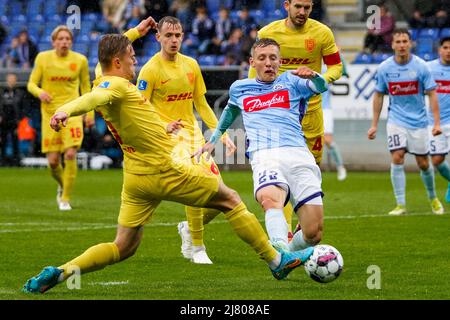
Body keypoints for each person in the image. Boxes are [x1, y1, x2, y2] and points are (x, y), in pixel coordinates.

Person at [22, 30, 314, 294]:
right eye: (131, 57)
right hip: (166, 168)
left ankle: (62, 272)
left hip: (136, 179)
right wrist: (65, 110)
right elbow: (93, 97)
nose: (135, 62)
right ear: (118, 61)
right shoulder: (115, 86)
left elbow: (112, 91)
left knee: (123, 247)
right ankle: (276, 260)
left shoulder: (104, 74)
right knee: (231, 200)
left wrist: (137, 33)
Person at [194, 38, 328, 254]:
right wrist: (214, 138)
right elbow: (230, 111)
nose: (268, 63)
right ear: (252, 62)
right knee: (270, 198)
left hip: (298, 153)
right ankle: (279, 252)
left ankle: (289, 253)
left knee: (314, 232)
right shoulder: (240, 88)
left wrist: (315, 76)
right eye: (262, 58)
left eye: (273, 58)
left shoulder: (292, 80)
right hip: (264, 154)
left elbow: (321, 87)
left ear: (280, 61)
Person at [136, 16, 236, 264]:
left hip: (193, 136)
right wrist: (160, 128)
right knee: (194, 188)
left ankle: (188, 227)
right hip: (168, 140)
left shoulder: (191, 65)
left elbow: (201, 105)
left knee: (220, 195)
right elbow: (140, 108)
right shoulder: (150, 69)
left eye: (177, 35)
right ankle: (198, 248)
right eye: (168, 35)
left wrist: (219, 134)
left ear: (183, 37)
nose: (173, 40)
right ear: (157, 37)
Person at [248, 0, 343, 234]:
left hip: (311, 113)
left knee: (310, 170)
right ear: (286, 5)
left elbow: (336, 68)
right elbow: (254, 73)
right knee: (282, 175)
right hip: (279, 114)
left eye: (307, 8)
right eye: (298, 6)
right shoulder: (268, 33)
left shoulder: (322, 33)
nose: (302, 12)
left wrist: (317, 79)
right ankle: (287, 233)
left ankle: (304, 223)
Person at [367, 28, 444, 215]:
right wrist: (374, 124)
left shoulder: (421, 66)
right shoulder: (385, 68)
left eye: (405, 42)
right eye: (398, 42)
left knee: (423, 163)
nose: (401, 45)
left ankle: (433, 198)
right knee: (397, 156)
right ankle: (400, 204)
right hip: (396, 120)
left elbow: (432, 94)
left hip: (418, 122)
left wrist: (436, 123)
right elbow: (378, 96)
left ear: (410, 44)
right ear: (392, 44)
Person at [27, 25, 92, 211]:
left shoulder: (80, 60)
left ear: (71, 42)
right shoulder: (43, 58)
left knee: (70, 154)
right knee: (53, 161)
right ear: (53, 41)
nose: (64, 42)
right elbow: (31, 83)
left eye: (68, 39)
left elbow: (86, 89)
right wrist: (40, 93)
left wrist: (90, 113)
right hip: (50, 114)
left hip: (72, 112)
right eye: (61, 39)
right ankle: (63, 184)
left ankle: (65, 198)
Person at [427, 37, 450, 203]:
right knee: (437, 160)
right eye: (446, 47)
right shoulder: (429, 69)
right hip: (435, 122)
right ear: (439, 50)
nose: (448, 51)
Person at [322, 54, 348, 181]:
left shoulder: (327, 68)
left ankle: (340, 167)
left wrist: (339, 53)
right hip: (308, 109)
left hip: (324, 108)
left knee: (327, 140)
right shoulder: (307, 64)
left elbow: (343, 69)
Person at [0, 73, 24, 166]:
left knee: (15, 141)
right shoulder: (2, 92)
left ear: (16, 81)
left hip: (15, 121)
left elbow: (23, 108)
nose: (11, 81)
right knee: (3, 141)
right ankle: (3, 160)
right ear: (7, 80)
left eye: (13, 79)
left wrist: (20, 119)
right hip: (3, 121)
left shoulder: (20, 93)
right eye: (10, 79)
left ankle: (16, 161)